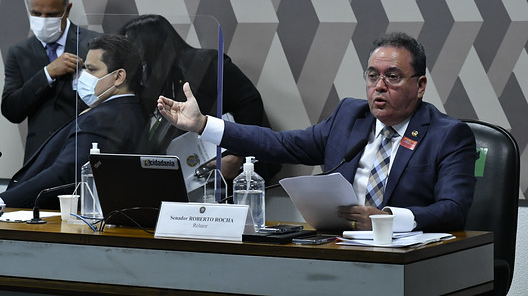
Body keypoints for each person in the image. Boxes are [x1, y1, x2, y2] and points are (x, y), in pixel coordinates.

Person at [157, 33, 477, 232]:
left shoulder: (448, 135)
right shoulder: (350, 116)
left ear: (419, 85)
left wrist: (387, 218)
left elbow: (452, 209)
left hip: (407, 257)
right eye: (372, 75)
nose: (379, 86)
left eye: (392, 76)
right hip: (338, 247)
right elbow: (278, 144)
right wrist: (202, 125)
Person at [119, 14, 280, 181]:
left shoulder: (205, 64)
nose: (130, 54)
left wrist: (237, 155)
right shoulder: (155, 79)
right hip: (194, 171)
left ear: (150, 42)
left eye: (132, 46)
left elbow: (249, 102)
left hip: (234, 167)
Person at [0, 34, 147, 209]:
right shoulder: (132, 110)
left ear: (119, 76)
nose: (84, 76)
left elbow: (64, 173)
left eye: (92, 70)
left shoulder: (104, 117)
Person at [1, 0, 99, 163]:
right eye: (36, 13)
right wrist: (47, 73)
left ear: (67, 9)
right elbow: (11, 110)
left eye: (52, 14)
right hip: (38, 160)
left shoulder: (94, 45)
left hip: (83, 155)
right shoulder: (19, 52)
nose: (43, 20)